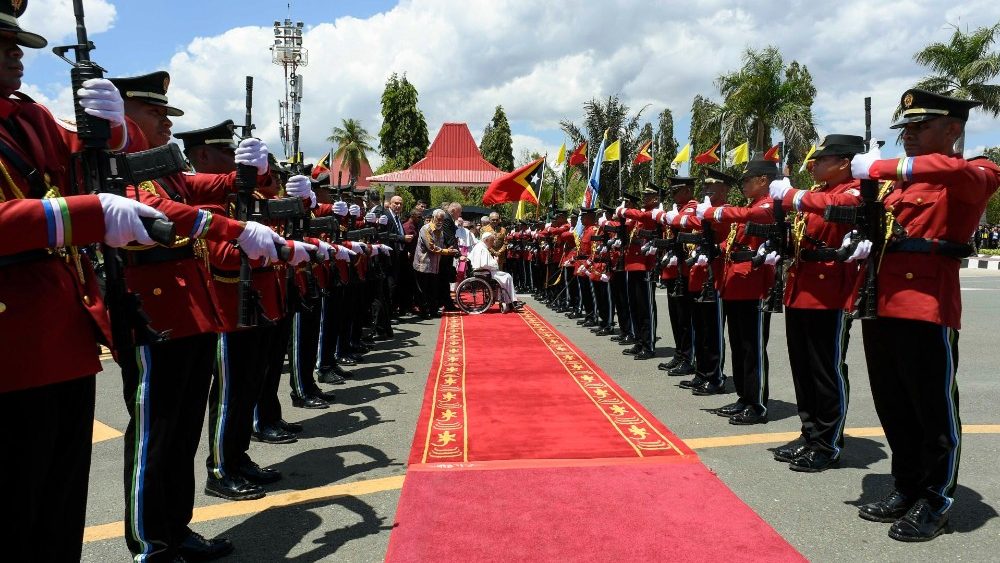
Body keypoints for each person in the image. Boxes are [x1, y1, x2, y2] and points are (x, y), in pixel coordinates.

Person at [0, 6, 171, 558]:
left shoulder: (27, 117)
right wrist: (90, 214)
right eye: (2, 43)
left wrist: (113, 129)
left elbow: (82, 167)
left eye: (17, 42)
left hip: (63, 343)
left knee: (59, 510)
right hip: (11, 351)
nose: (17, 53)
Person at [110, 70, 292, 562]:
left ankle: (176, 526)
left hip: (190, 314)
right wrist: (233, 227)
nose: (166, 124)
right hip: (152, 313)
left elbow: (214, 183)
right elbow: (158, 208)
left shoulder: (165, 167)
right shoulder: (117, 165)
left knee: (183, 428)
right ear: (123, 113)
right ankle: (150, 542)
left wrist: (253, 172)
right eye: (155, 113)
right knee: (155, 432)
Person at [851, 89, 999, 541]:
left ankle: (936, 500)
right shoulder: (903, 185)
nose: (908, 135)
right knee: (893, 404)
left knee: (932, 409)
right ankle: (907, 485)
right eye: (906, 128)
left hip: (926, 306)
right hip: (882, 302)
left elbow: (952, 172)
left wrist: (879, 167)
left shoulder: (977, 171)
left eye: (920, 127)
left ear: (953, 129)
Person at [173, 120, 290, 501]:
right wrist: (253, 243)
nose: (233, 161)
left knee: (247, 386)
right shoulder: (196, 198)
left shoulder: (231, 196)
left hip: (249, 302)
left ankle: (237, 457)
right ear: (202, 155)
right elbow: (216, 256)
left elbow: (270, 192)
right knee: (228, 393)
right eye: (225, 153)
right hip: (225, 306)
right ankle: (221, 468)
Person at [767, 135, 866, 472]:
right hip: (801, 286)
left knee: (825, 370)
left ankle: (828, 442)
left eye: (822, 159)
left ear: (844, 161)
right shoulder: (821, 192)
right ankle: (810, 434)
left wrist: (795, 196)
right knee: (804, 369)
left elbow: (844, 211)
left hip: (829, 292)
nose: (815, 164)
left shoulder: (855, 190)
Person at [698, 159, 778, 425]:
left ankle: (758, 404)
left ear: (763, 180)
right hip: (735, 284)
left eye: (747, 180)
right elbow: (733, 240)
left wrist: (717, 213)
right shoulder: (749, 207)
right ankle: (745, 396)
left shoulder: (768, 205)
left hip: (754, 285)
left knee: (753, 347)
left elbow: (752, 219)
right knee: (738, 345)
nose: (743, 185)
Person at [616, 186, 665, 360]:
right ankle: (639, 340)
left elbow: (643, 216)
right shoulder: (638, 216)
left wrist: (625, 210)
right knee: (635, 306)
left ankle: (648, 344)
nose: (645, 197)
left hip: (645, 265)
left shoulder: (656, 212)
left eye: (649, 195)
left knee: (645, 307)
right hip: (632, 265)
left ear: (656, 198)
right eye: (643, 195)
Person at [413, 208, 459, 316]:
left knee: (432, 289)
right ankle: (424, 311)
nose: (440, 222)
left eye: (442, 220)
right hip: (423, 264)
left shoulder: (441, 230)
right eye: (439, 219)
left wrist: (449, 248)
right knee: (423, 290)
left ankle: (433, 311)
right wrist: (447, 251)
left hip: (435, 265)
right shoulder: (426, 229)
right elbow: (432, 247)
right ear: (433, 218)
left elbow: (441, 245)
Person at [469, 231, 521, 312]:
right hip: (485, 272)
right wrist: (495, 261)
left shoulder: (480, 246)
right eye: (492, 240)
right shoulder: (482, 248)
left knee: (506, 276)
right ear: (486, 240)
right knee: (507, 277)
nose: (493, 243)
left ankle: (510, 301)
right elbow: (484, 264)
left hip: (483, 272)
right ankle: (511, 302)